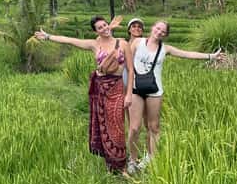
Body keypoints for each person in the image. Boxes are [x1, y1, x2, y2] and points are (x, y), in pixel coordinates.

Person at [35, 15, 134, 173]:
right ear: (96, 31)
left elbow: (130, 69)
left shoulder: (122, 43)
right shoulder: (94, 44)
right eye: (100, 27)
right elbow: (69, 40)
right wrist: (48, 36)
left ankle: (121, 165)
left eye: (105, 25)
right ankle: (109, 163)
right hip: (100, 88)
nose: (104, 28)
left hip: (116, 87)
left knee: (117, 125)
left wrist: (128, 94)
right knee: (103, 124)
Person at [126, 20, 224, 173]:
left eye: (163, 31)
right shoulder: (138, 42)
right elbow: (128, 66)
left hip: (155, 91)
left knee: (154, 127)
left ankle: (151, 158)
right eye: (158, 28)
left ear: (165, 35)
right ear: (153, 27)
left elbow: (187, 54)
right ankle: (132, 160)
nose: (159, 32)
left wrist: (211, 56)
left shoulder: (165, 49)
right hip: (135, 89)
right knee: (134, 127)